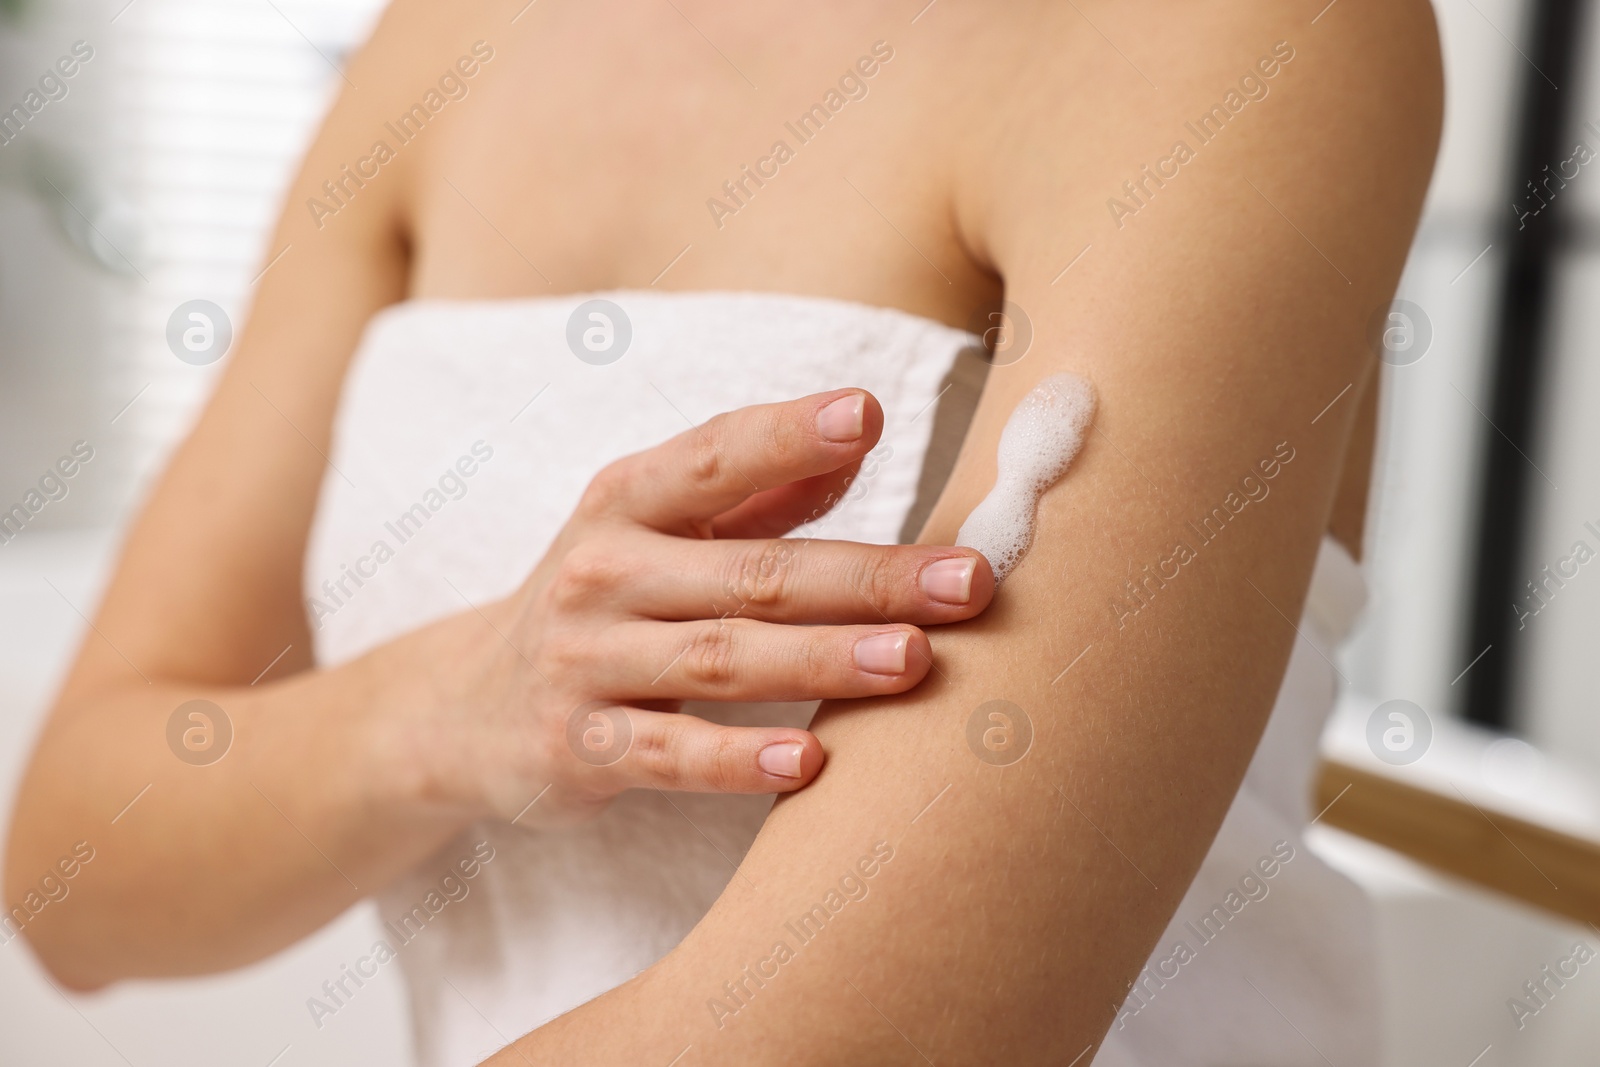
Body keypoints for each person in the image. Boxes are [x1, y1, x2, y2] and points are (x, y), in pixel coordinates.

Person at [5, 0, 1442, 1063]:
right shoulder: (434, 46)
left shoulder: (1231, 35)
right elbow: (76, 875)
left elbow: (839, 1045)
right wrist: (450, 712)